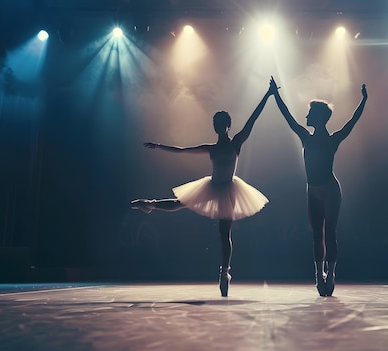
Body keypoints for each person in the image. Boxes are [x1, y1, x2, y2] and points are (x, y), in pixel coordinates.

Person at [131, 81, 277, 297]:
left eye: (221, 123)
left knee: (223, 233)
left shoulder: (236, 142)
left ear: (227, 125)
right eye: (215, 123)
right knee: (181, 203)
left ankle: (224, 273)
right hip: (213, 185)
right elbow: (182, 150)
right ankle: (151, 205)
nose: (218, 126)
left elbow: (252, 120)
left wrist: (268, 94)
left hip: (228, 188)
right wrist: (159, 146)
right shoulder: (211, 148)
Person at [270, 76, 367, 296]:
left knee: (330, 233)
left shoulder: (332, 139)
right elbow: (288, 117)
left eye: (309, 113)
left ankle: (331, 274)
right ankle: (318, 275)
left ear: (319, 118)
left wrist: (363, 101)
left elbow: (352, 121)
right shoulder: (305, 137)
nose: (305, 116)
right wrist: (276, 95)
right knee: (317, 235)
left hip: (330, 189)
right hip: (313, 190)